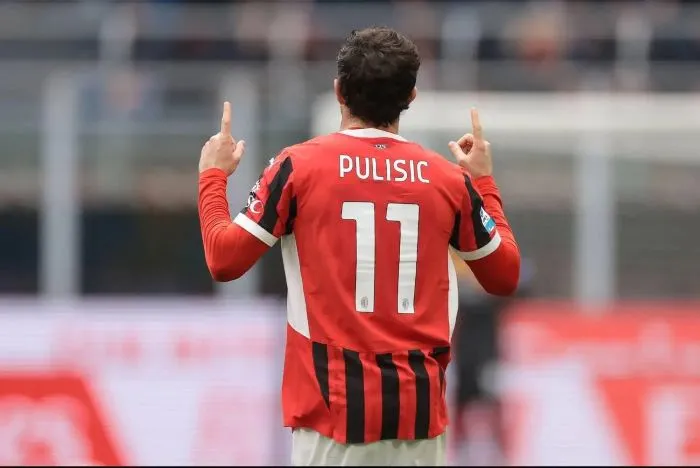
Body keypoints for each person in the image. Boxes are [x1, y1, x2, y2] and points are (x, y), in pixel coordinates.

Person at [198, 27, 520, 466]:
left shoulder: (298, 166)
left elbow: (223, 258)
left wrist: (213, 178)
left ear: (338, 92)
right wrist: (484, 181)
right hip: (418, 416)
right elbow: (504, 276)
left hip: (332, 418)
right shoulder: (449, 180)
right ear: (411, 96)